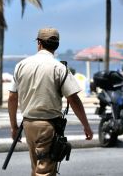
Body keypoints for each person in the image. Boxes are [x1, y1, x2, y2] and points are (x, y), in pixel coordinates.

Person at [8, 27, 93, 175]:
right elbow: (73, 98)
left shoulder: (21, 65)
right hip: (48, 126)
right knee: (45, 172)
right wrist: (86, 125)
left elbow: (12, 97)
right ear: (56, 45)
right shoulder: (59, 68)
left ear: (39, 43)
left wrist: (14, 127)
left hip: (28, 124)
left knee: (36, 169)